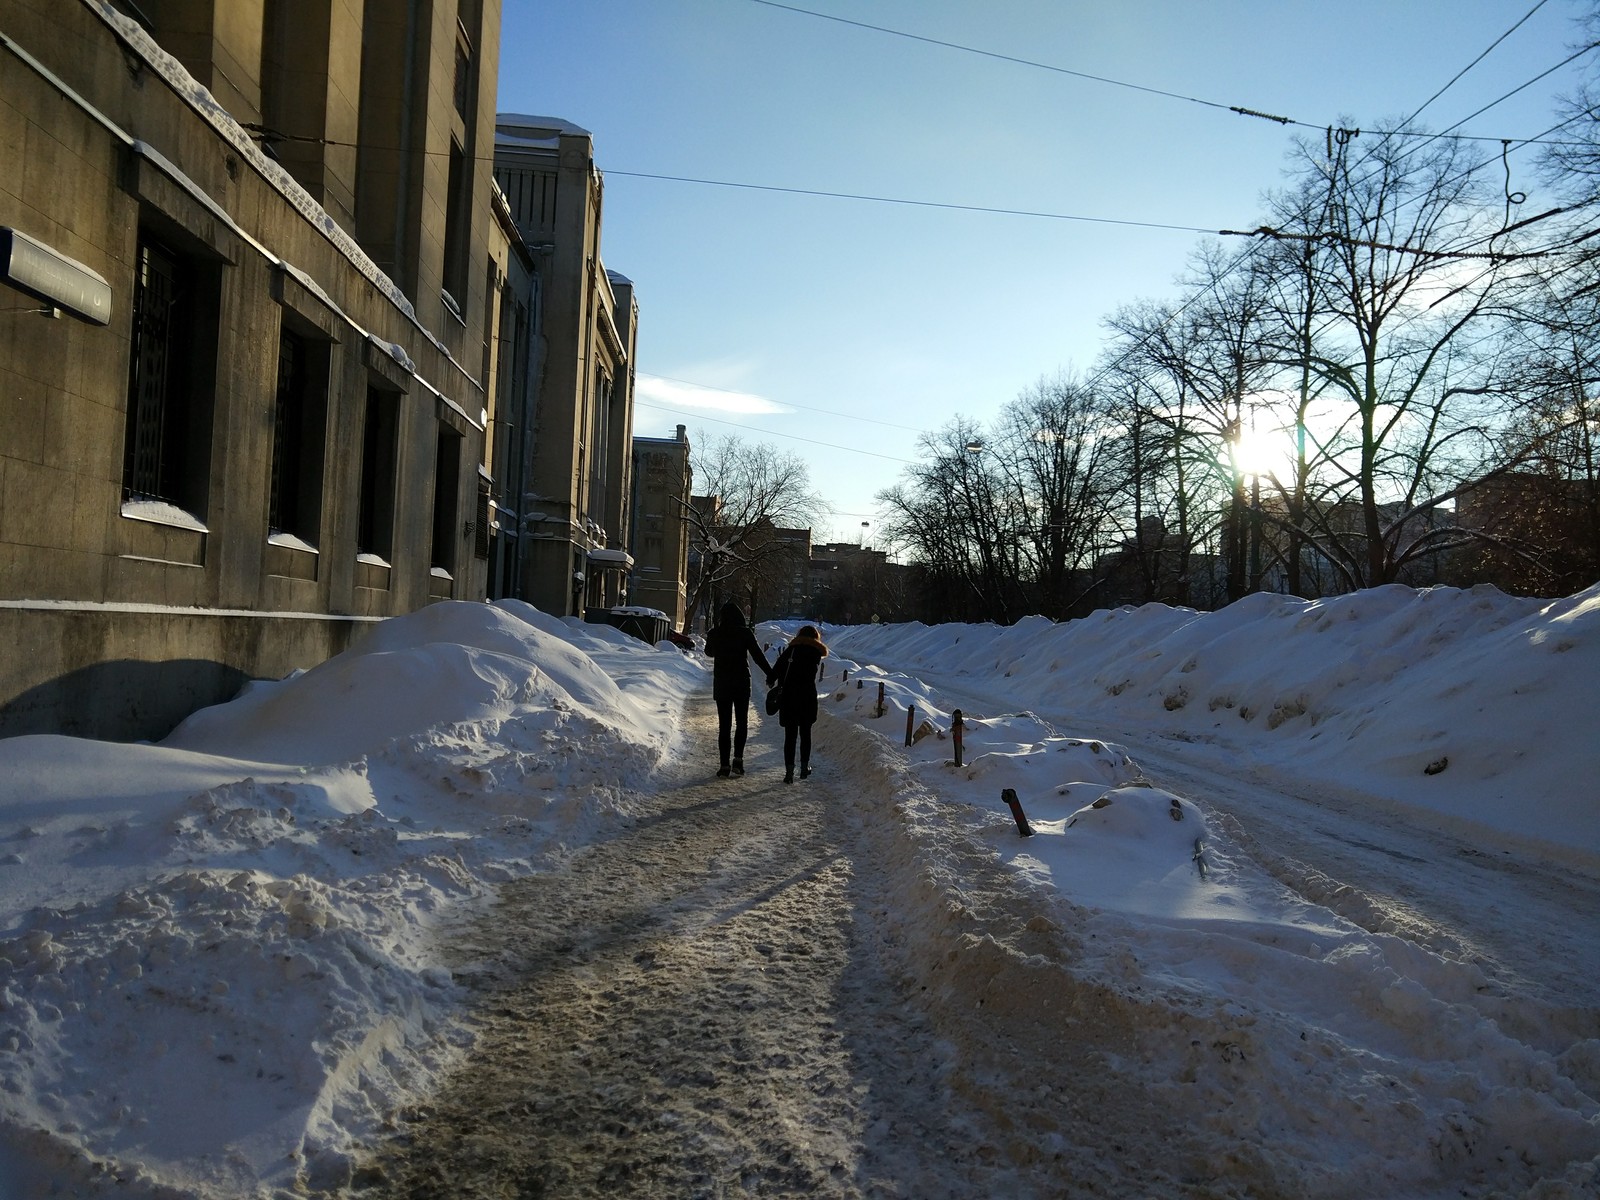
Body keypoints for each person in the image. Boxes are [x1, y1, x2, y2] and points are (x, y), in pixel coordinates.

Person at [702, 602, 773, 778]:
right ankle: (738, 761)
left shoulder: (715, 633)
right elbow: (757, 656)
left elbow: (709, 653)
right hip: (741, 683)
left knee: (724, 725)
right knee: (742, 723)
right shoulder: (745, 633)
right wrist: (771, 674)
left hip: (722, 683)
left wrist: (714, 637)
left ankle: (724, 765)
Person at [769, 625, 828, 784]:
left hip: (789, 697)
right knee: (805, 733)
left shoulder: (791, 651)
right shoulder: (816, 653)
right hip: (807, 697)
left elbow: (777, 669)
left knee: (790, 736)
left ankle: (789, 772)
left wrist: (771, 680)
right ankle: (804, 767)